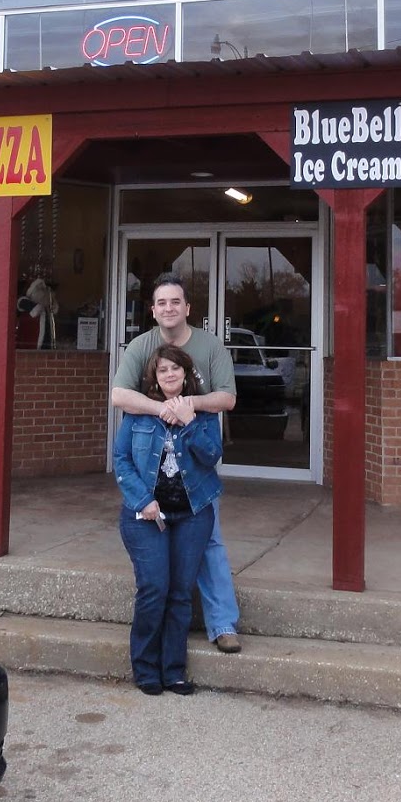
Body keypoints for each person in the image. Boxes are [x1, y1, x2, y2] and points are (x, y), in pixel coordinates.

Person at [111, 272, 244, 653]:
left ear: (187, 308)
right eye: (162, 303)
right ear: (153, 310)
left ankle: (222, 624)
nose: (169, 308)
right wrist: (162, 409)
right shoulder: (140, 346)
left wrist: (188, 408)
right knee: (158, 560)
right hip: (153, 470)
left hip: (196, 466)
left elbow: (228, 398)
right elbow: (119, 395)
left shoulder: (210, 345)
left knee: (211, 543)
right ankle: (163, 641)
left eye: (176, 302)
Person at [113, 344, 223, 695]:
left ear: (186, 374)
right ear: (155, 377)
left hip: (192, 514)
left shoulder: (203, 414)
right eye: (163, 370)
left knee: (179, 593)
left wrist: (190, 423)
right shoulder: (139, 413)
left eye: (176, 369)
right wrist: (143, 500)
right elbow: (122, 460)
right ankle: (145, 668)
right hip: (146, 515)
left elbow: (211, 457)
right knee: (154, 588)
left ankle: (173, 670)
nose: (170, 375)